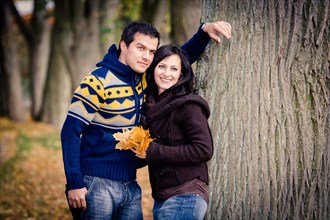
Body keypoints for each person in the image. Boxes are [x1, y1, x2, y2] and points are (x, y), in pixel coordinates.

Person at [61, 20, 231, 219]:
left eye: (152, 51)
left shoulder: (143, 79)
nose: (146, 57)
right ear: (124, 45)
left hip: (130, 186)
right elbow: (70, 132)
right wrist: (74, 183)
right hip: (97, 182)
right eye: (141, 48)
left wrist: (204, 33)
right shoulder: (97, 81)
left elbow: (175, 61)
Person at [141, 44, 213, 220]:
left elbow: (204, 149)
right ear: (153, 68)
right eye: (162, 66)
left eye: (174, 69)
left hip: (186, 194)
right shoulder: (150, 106)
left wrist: (153, 151)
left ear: (181, 74)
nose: (167, 73)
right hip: (161, 198)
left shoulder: (188, 106)